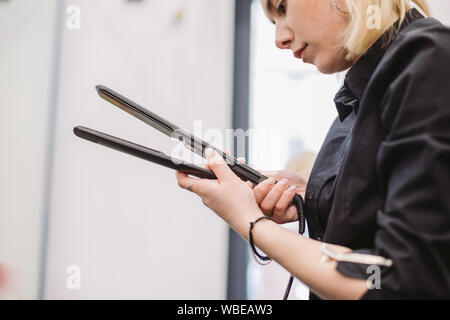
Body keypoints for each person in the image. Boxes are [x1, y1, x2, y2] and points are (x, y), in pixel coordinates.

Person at [176, 0, 450, 299]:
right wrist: (312, 198)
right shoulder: (363, 96)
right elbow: (370, 223)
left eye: (282, 7)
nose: (280, 39)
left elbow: (401, 281)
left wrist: (252, 223)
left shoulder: (427, 61)